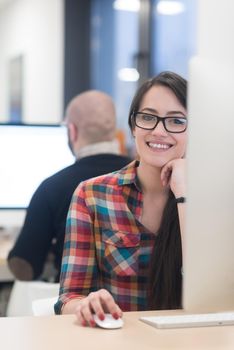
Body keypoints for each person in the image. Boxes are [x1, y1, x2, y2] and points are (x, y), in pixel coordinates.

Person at [54, 71, 187, 326]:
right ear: (133, 126)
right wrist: (86, 304)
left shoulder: (216, 199)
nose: (159, 131)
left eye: (176, 121)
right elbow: (68, 298)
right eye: (148, 117)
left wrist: (184, 196)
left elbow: (213, 297)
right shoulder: (92, 195)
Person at [7, 90, 131, 282]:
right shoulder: (141, 176)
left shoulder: (52, 188)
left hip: (73, 305)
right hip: (136, 306)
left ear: (71, 130)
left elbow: (25, 267)